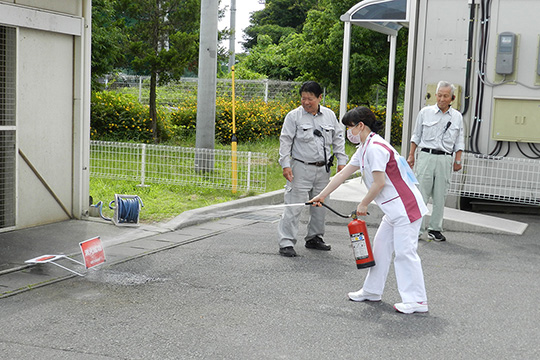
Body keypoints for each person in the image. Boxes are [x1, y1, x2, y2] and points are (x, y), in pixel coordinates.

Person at [310, 106, 429, 314]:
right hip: (394, 210)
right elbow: (342, 174)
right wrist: (322, 194)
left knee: (405, 253)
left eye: (350, 128)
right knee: (380, 249)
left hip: (405, 208)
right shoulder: (365, 147)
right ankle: (372, 291)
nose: (348, 133)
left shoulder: (375, 148)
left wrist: (363, 203)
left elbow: (379, 183)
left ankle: (417, 301)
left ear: (361, 126)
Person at [277, 81, 348, 257]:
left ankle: (314, 238)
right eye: (303, 98)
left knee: (320, 206)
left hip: (323, 169)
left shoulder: (330, 116)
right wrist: (285, 164)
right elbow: (285, 141)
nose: (306, 102)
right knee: (293, 206)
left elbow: (338, 138)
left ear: (319, 98)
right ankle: (286, 242)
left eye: (310, 99)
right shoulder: (293, 116)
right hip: (300, 168)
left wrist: (342, 161)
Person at [407, 81, 465, 242]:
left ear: (452, 98)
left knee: (440, 195)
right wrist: (411, 155)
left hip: (445, 158)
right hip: (426, 155)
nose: (441, 98)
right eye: (439, 95)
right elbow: (416, 135)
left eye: (445, 96)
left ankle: (435, 229)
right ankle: (416, 229)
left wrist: (458, 159)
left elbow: (459, 140)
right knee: (421, 194)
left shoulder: (457, 117)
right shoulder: (425, 112)